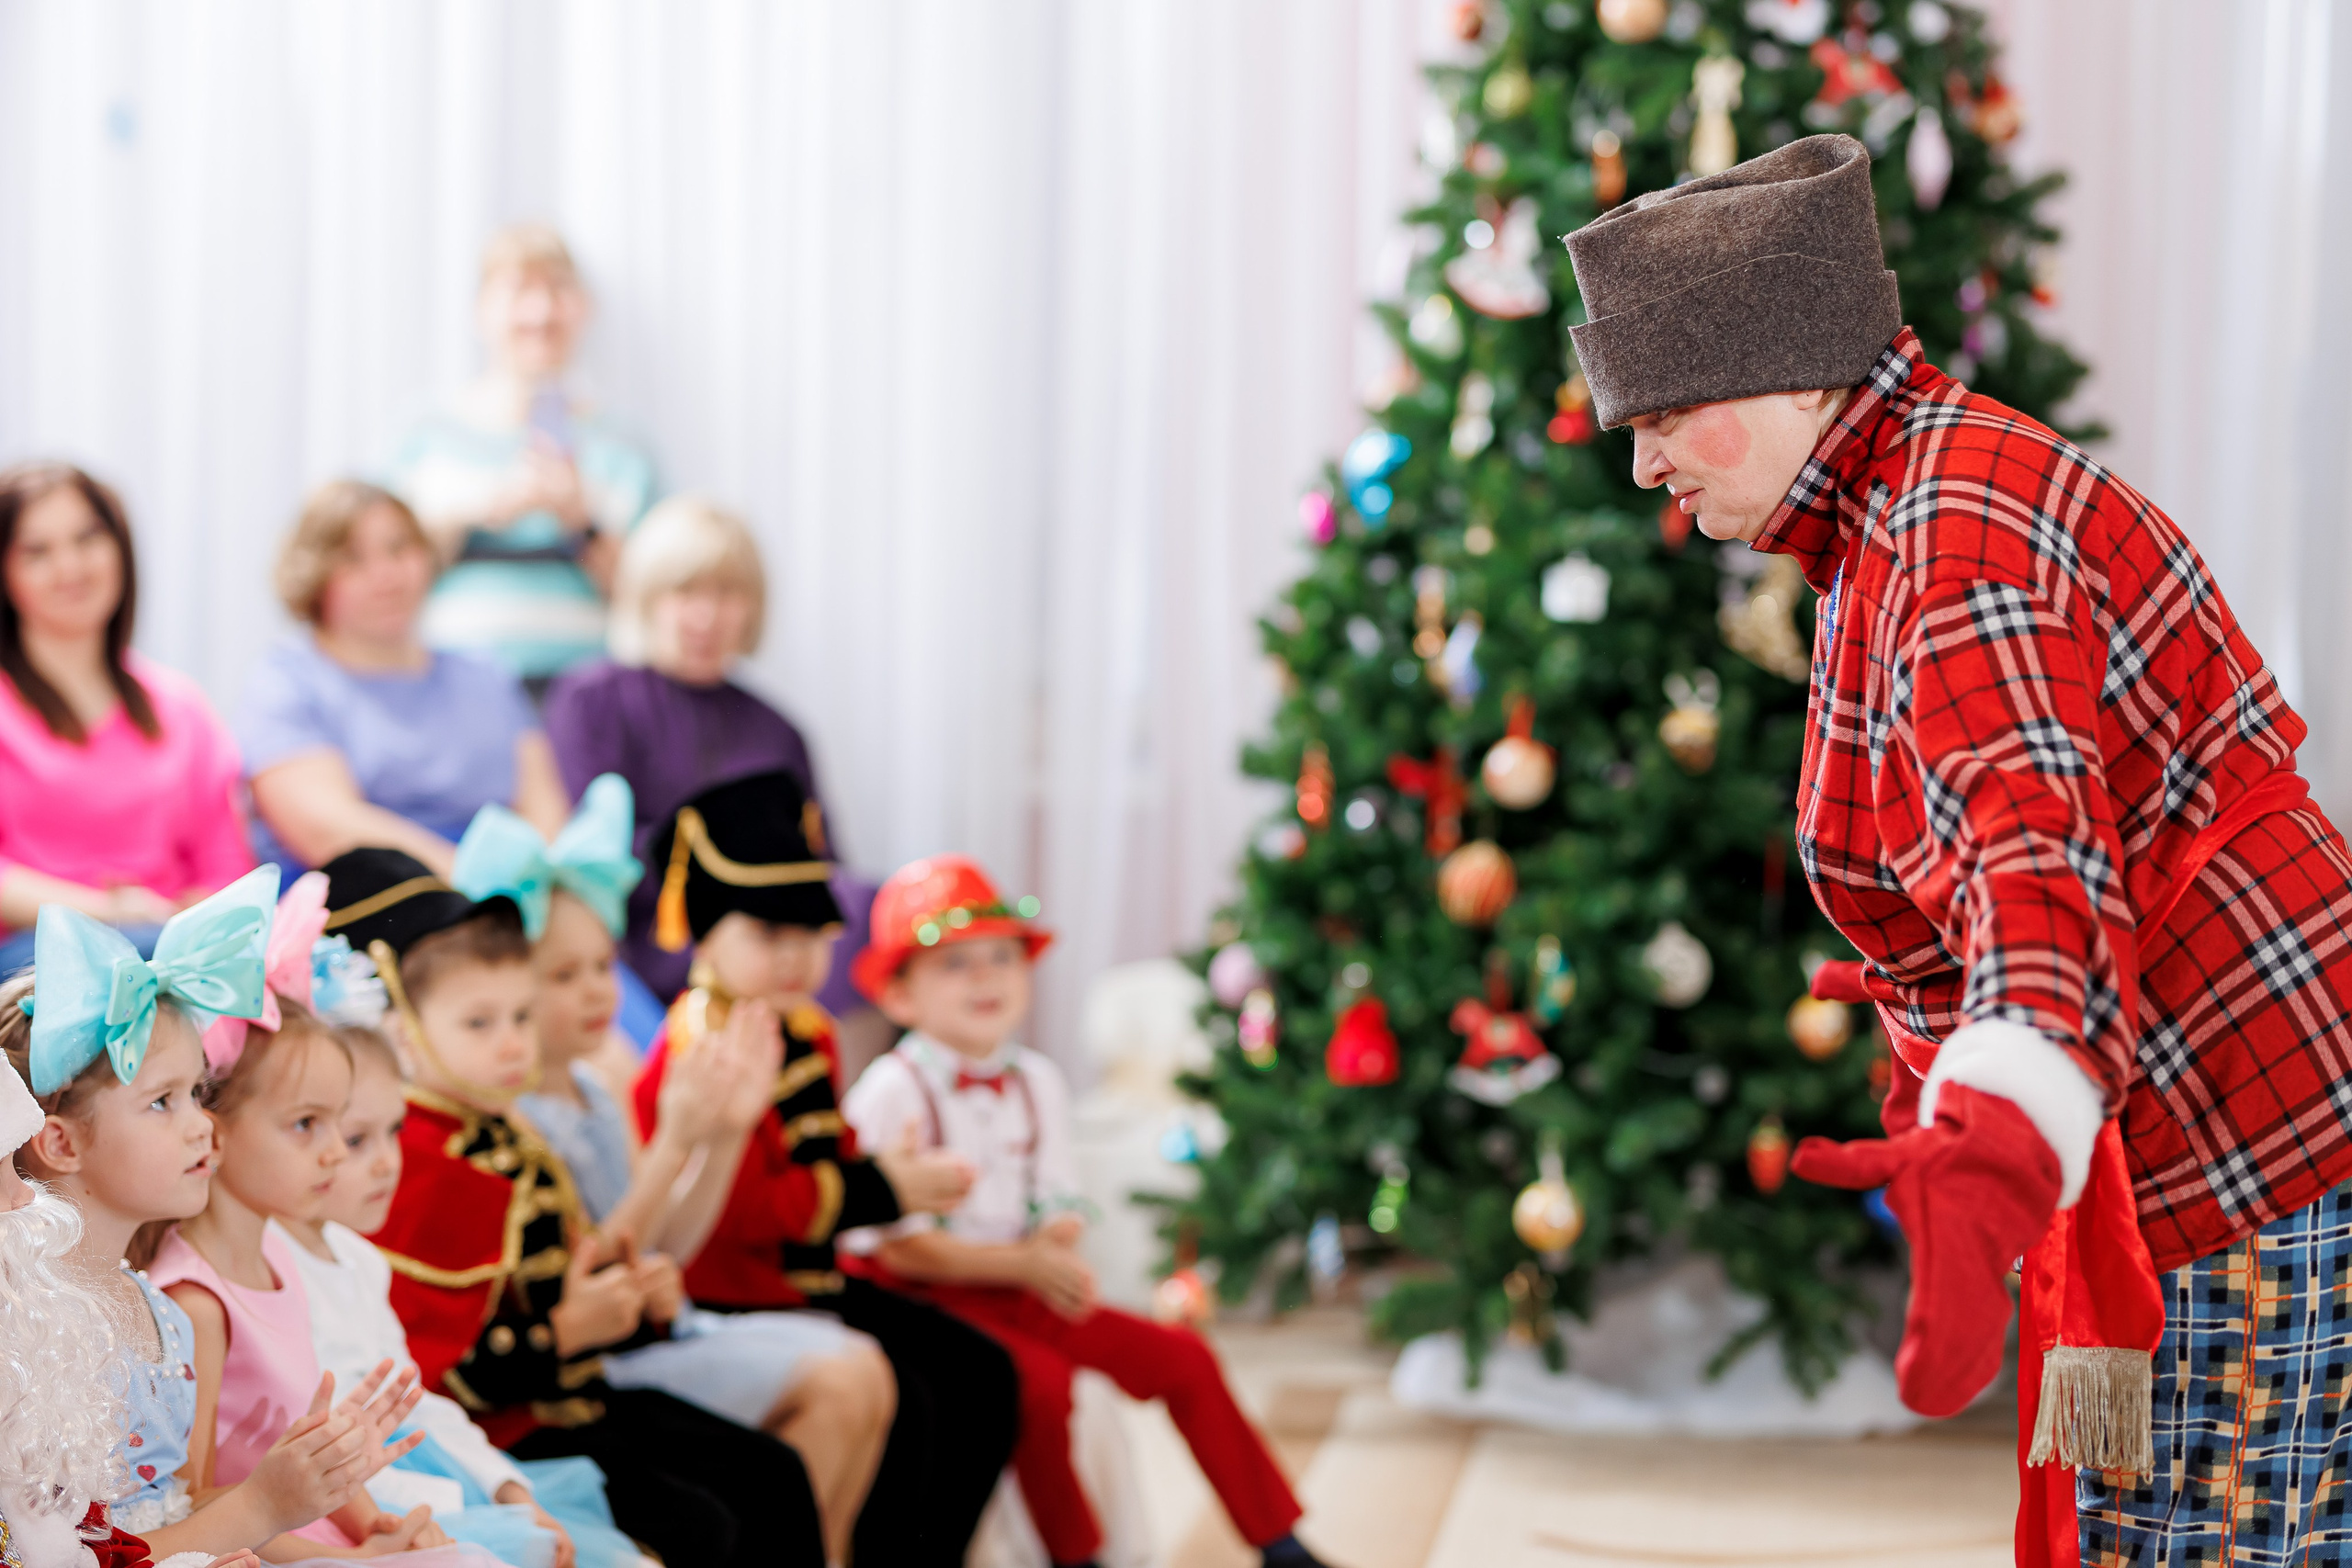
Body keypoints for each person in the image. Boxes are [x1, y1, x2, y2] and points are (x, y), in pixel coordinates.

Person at [1560, 132, 2352, 1568]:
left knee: (2216, 1533)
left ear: (1797, 372)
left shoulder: (1951, 536)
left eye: (1665, 410)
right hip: (2199, 1095)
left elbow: (2035, 862)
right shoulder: (1897, 500)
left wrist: (1991, 1143)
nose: (1643, 459)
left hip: (2238, 1118)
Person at [321, 849, 826, 1567]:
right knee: (707, 1519)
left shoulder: (503, 1129)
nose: (512, 1043)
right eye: (479, 1022)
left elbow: (577, 1265)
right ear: (402, 1026)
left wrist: (631, 1293)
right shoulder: (422, 1158)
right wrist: (563, 1331)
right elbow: (440, 1366)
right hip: (519, 1422)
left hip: (576, 1392)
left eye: (521, 1016)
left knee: (772, 1473)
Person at [841, 855, 1330, 1568]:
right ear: (900, 995)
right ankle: (1077, 1555)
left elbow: (1058, 1196)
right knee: (1039, 1386)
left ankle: (1278, 1540)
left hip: (1022, 1285)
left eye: (1003, 958)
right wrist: (1026, 1262)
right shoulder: (890, 1090)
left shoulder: (1039, 1079)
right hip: (930, 1300)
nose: (985, 978)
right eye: (955, 963)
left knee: (1185, 1358)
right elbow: (895, 1248)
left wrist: (1052, 1242)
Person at [455, 778, 899, 1565]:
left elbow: (664, 1248)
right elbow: (603, 1263)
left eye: (603, 966)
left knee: (867, 1371)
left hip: (655, 1325)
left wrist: (720, 1137)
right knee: (840, 1383)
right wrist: (680, 1139)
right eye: (564, 975)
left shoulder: (595, 1086)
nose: (598, 991)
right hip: (603, 1361)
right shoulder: (514, 1119)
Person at [628, 772, 1019, 1568]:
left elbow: (821, 1159)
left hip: (806, 1281)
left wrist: (886, 1172)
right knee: (917, 1397)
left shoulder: (810, 1029)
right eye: (769, 933)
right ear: (706, 934)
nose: (796, 955)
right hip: (728, 1294)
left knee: (982, 1373)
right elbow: (736, 1213)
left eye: (811, 933)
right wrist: (879, 1187)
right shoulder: (700, 1045)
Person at [1, 874, 431, 1563]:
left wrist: (320, 1509)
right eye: (162, 1101)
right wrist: (264, 1505)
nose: (204, 1126)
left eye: (198, 1092)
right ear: (61, 1142)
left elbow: (186, 1501)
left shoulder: (159, 1315)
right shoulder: (32, 1335)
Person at [279, 1020, 655, 1568]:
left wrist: (508, 1489)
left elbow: (416, 1399)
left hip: (436, 1475)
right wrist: (467, 1510)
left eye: (395, 1131)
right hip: (371, 1501)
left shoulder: (358, 1258)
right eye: (357, 1139)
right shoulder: (276, 1268)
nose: (388, 1161)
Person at [541, 497, 876, 1027]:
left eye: (727, 593)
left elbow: (823, 860)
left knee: (866, 902)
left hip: (777, 941)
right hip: (652, 936)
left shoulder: (778, 730)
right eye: (685, 592)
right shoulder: (593, 700)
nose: (706, 616)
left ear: (753, 607)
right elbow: (591, 849)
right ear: (648, 598)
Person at [239, 480, 569, 880]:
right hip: (368, 891)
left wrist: (535, 880)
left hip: (504, 888)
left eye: (399, 549)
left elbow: (544, 810)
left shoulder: (486, 676)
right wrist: (472, 880)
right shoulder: (288, 683)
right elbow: (325, 830)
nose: (387, 576)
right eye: (353, 560)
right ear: (313, 575)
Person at [0, 462, 252, 976]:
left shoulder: (180, 707)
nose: (70, 567)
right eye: (37, 551)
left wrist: (194, 918)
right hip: (35, 966)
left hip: (171, 958)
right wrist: (108, 912)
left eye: (87, 538)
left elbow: (228, 870)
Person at [387, 223, 658, 685]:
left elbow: (664, 599)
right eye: (518, 290)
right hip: (448, 690)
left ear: (584, 308)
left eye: (558, 289)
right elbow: (371, 577)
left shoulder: (625, 445)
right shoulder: (425, 434)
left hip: (588, 694)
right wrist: (476, 513)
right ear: (480, 311)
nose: (541, 311)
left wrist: (584, 523)